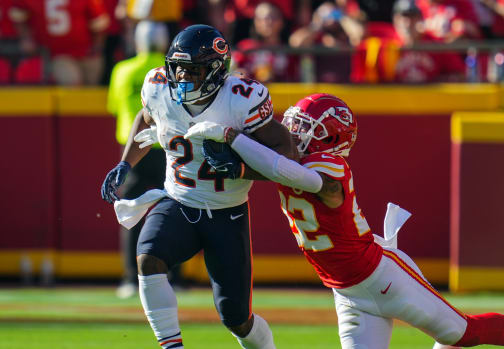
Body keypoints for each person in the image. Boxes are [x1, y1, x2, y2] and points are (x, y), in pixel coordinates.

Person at [185, 93, 504, 349]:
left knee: (464, 333)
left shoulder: (329, 166)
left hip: (381, 275)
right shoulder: (287, 162)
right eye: (295, 123)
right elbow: (265, 167)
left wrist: (232, 138)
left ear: (328, 138)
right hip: (347, 292)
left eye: (305, 128)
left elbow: (289, 174)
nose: (293, 132)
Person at [101, 24, 297, 349]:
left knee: (237, 319)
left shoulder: (241, 100)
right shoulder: (158, 88)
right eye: (177, 68)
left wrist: (241, 166)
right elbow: (146, 118)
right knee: (148, 257)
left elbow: (285, 154)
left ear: (216, 70)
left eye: (192, 70)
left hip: (226, 213)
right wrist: (125, 162)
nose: (182, 77)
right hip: (178, 200)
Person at [107, 20, 185, 299]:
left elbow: (114, 106)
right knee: (180, 209)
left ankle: (132, 277)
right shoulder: (173, 70)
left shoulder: (123, 70)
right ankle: (176, 277)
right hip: (170, 146)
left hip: (134, 150)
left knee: (132, 212)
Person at [9, 0, 110, 85]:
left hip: (86, 53)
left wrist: (97, 47)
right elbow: (18, 16)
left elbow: (99, 24)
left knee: (91, 89)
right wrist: (27, 38)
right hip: (58, 55)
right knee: (72, 82)